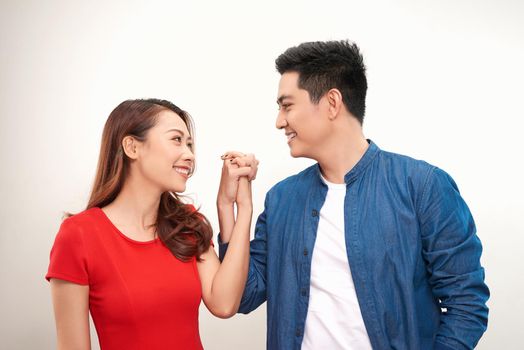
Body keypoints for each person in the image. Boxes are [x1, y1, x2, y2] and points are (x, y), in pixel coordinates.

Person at [219, 40, 489, 350]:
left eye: (287, 105)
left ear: (332, 103)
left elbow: (466, 305)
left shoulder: (423, 186)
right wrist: (232, 207)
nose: (279, 121)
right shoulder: (283, 199)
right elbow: (243, 295)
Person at [46, 98, 258, 350]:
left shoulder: (188, 224)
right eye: (176, 140)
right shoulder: (79, 235)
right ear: (132, 147)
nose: (190, 154)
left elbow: (225, 304)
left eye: (190, 144)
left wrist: (239, 206)